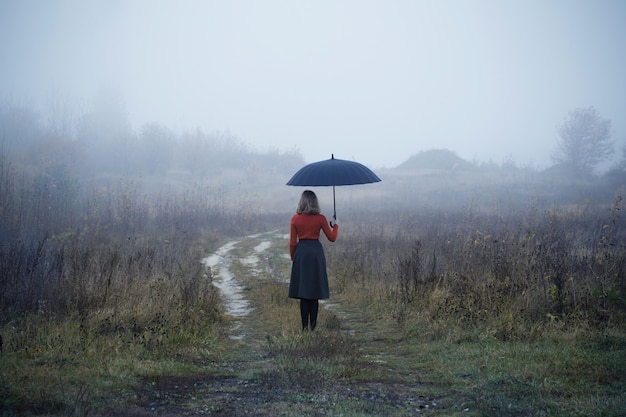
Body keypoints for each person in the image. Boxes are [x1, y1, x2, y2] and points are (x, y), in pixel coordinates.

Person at [288, 190, 339, 331]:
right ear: (315, 202)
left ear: (301, 202)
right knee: (314, 293)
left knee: (304, 293)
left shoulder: (295, 219)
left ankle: (304, 328)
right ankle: (313, 327)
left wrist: (294, 258)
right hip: (316, 253)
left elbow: (292, 243)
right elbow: (332, 238)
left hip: (302, 254)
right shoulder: (321, 218)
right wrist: (336, 225)